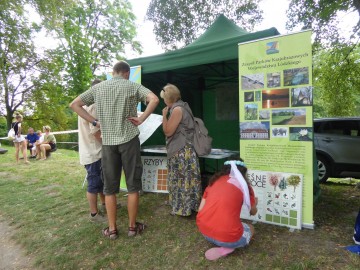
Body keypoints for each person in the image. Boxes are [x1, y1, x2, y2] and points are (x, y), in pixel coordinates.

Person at [69, 60, 159, 239]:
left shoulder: (99, 88)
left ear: (113, 72)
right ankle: (133, 228)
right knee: (133, 187)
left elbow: (74, 104)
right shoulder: (132, 86)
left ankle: (112, 230)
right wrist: (141, 119)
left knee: (109, 188)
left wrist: (94, 122)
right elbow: (154, 99)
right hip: (129, 141)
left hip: (108, 143)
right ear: (126, 73)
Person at [196, 159, 258, 261]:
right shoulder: (245, 187)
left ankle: (222, 241)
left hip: (204, 231)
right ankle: (227, 248)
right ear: (243, 172)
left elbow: (200, 209)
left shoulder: (213, 182)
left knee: (233, 223)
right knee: (251, 228)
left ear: (224, 169)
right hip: (227, 236)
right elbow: (253, 212)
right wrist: (255, 203)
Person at [160, 84, 202, 216]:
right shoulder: (185, 106)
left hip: (180, 150)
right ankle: (192, 204)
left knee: (181, 179)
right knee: (189, 178)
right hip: (187, 149)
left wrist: (164, 115)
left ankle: (182, 207)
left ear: (168, 99)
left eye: (164, 98)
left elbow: (168, 132)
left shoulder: (177, 110)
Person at [78, 79, 106, 222]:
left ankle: (104, 204)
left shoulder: (84, 106)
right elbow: (96, 133)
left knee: (100, 181)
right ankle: (94, 214)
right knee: (94, 184)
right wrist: (108, 144)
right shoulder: (94, 106)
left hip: (88, 151)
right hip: (94, 152)